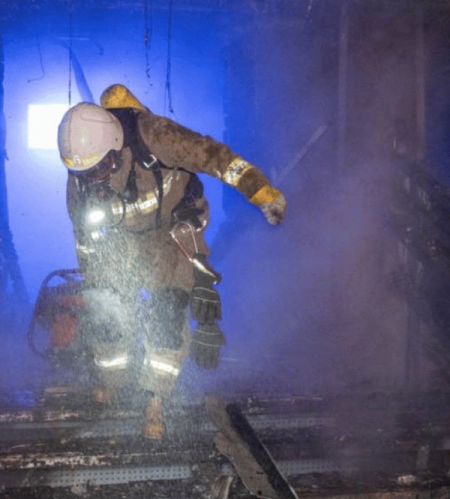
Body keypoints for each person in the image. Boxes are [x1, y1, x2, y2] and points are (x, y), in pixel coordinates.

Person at [56, 84, 286, 440]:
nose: (96, 181)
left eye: (101, 169)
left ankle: (155, 401)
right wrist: (96, 284)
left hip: (170, 234)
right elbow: (84, 240)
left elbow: (214, 156)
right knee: (105, 313)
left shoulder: (156, 137)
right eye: (85, 175)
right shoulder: (81, 183)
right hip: (120, 239)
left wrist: (259, 190)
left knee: (168, 311)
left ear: (116, 147)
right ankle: (112, 384)